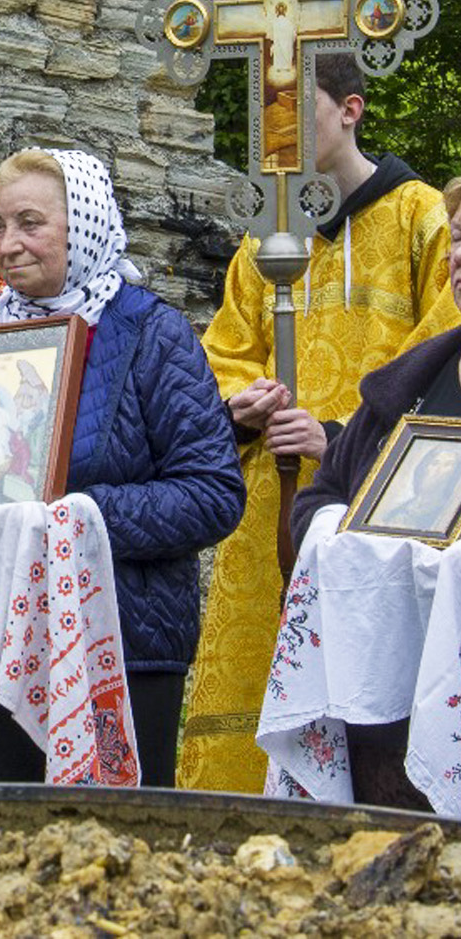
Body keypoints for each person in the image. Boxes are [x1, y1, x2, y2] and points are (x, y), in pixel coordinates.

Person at [179, 55, 457, 795]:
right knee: (256, 677)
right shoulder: (266, 234)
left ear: (350, 110)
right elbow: (227, 350)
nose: (280, 129)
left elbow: (439, 348)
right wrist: (242, 404)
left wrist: (338, 435)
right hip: (269, 489)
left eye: (297, 107)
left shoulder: (419, 216)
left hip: (382, 503)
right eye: (268, 110)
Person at [0, 148, 245, 787]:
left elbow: (213, 494)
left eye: (30, 223)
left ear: (83, 225)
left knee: (111, 852)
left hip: (122, 645)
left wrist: (78, 517)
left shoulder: (150, 333)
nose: (7, 244)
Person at [289, 175, 461, 808]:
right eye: (460, 241)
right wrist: (346, 532)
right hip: (381, 710)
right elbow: (319, 498)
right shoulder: (405, 386)